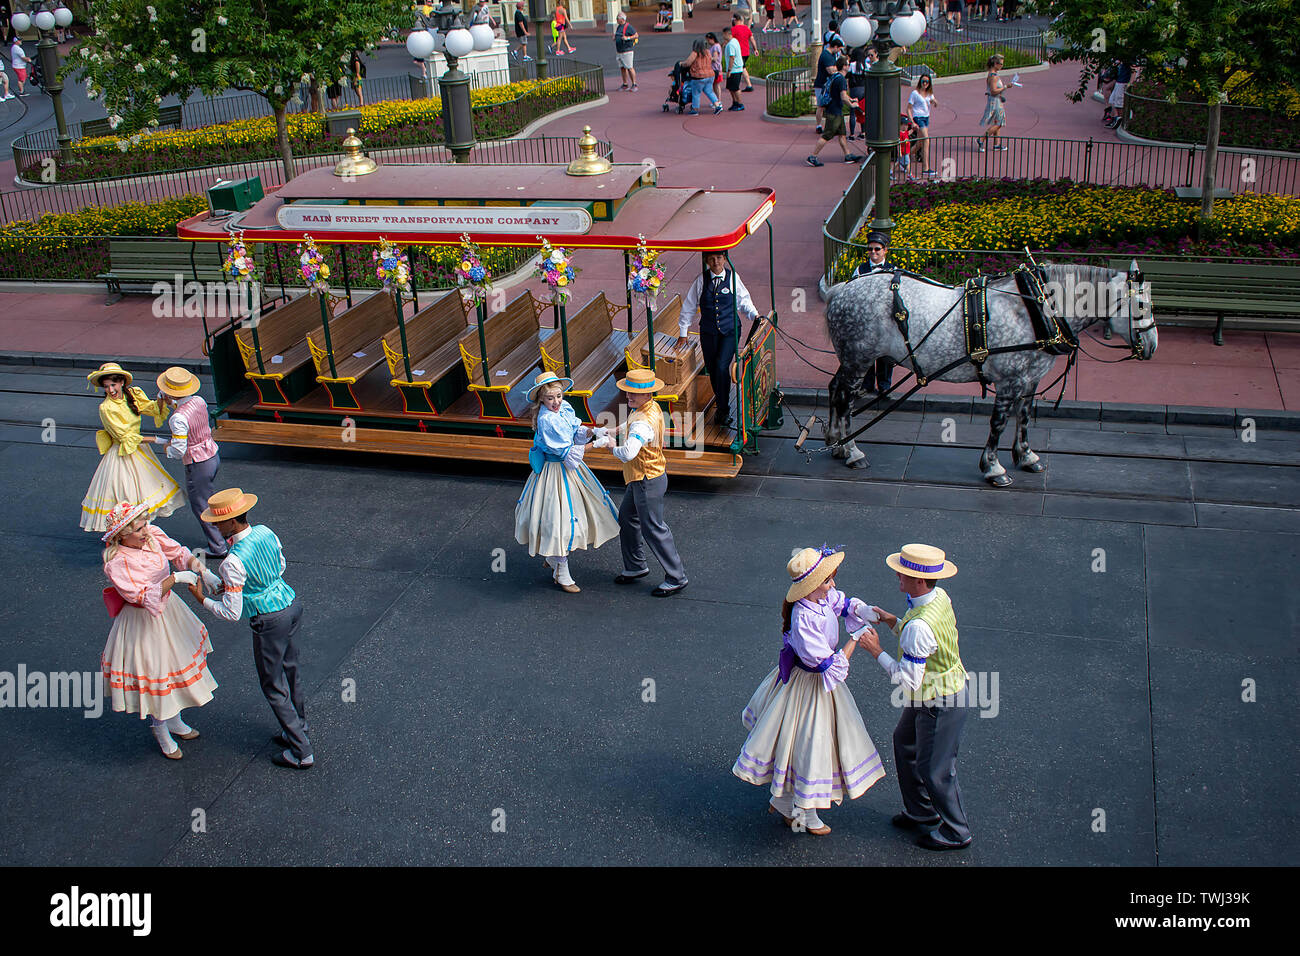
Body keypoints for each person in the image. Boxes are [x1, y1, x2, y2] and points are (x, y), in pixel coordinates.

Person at [732, 546, 887, 835]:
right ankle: (805, 811)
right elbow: (826, 665)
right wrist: (854, 639)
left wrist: (863, 611)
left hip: (809, 682)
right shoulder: (803, 618)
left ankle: (783, 801)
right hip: (811, 684)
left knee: (799, 743)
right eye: (827, 580)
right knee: (813, 745)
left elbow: (842, 603)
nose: (832, 585)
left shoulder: (820, 599)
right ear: (812, 585)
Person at [857, 543, 972, 850]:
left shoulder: (919, 625)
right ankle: (922, 812)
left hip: (940, 701)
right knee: (904, 741)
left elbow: (907, 680)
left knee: (935, 769)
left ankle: (956, 831)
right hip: (939, 691)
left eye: (904, 572)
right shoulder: (935, 599)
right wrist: (893, 620)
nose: (898, 575)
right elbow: (923, 638)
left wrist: (875, 650)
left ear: (920, 580)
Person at [189, 487, 314, 770]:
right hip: (291, 605)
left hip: (269, 621)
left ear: (232, 521)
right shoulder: (266, 532)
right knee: (291, 671)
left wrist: (203, 600)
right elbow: (278, 568)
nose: (214, 527)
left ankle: (302, 751)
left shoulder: (232, 561)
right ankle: (298, 727)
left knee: (272, 685)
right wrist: (245, 587)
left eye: (217, 522)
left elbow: (231, 613)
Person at [99, 500, 217, 760]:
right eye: (138, 529)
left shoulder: (151, 535)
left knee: (174, 666)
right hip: (143, 621)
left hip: (168, 612)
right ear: (121, 535)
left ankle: (173, 719)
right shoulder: (117, 563)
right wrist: (174, 579)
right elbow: (140, 596)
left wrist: (204, 573)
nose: (145, 532)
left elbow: (179, 554)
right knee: (156, 672)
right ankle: (160, 728)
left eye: (144, 525)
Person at [514, 372, 620, 593]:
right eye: (550, 398)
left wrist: (594, 430)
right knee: (559, 521)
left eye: (559, 396)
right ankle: (561, 571)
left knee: (567, 518)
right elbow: (567, 452)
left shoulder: (563, 409)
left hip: (568, 471)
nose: (556, 402)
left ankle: (553, 559)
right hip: (554, 472)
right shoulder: (546, 420)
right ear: (541, 399)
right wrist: (599, 443)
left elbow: (574, 430)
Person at [592, 369, 688, 598]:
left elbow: (627, 453)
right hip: (643, 479)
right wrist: (605, 430)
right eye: (627, 392)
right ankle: (636, 566)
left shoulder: (643, 421)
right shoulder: (648, 408)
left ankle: (676, 577)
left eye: (633, 393)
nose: (628, 396)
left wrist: (607, 445)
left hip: (646, 480)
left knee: (653, 528)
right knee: (627, 517)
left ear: (647, 394)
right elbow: (627, 427)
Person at [81, 362, 180, 533]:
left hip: (138, 450)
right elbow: (125, 437)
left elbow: (153, 409)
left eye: (113, 385)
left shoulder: (133, 394)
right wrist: (157, 440)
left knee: (144, 492)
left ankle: (140, 533)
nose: (111, 390)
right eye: (106, 387)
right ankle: (128, 535)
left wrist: (160, 398)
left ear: (121, 383)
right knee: (125, 494)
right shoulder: (106, 408)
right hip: (122, 453)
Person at [677, 251, 760, 427]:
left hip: (730, 331)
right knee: (713, 369)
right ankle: (721, 403)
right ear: (707, 260)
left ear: (725, 259)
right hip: (708, 332)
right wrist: (683, 333)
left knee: (722, 366)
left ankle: (723, 409)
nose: (716, 262)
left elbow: (744, 301)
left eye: (719, 258)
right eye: (712, 258)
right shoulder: (701, 280)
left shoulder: (732, 277)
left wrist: (754, 315)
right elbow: (689, 306)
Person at [154, 367, 227, 561]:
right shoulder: (199, 401)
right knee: (211, 499)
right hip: (212, 454)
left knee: (201, 505)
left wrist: (167, 450)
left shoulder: (178, 418)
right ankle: (225, 533)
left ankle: (218, 546)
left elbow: (178, 449)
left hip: (197, 463)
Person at [851, 232, 896, 394]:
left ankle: (884, 386)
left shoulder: (893, 270)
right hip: (867, 318)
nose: (873, 252)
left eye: (877, 249)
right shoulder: (860, 269)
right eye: (870, 249)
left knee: (885, 353)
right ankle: (867, 385)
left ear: (885, 250)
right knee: (866, 352)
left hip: (884, 318)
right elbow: (853, 290)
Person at [806, 56, 863, 166]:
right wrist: (852, 105)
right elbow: (843, 96)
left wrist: (851, 99)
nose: (849, 65)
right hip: (834, 112)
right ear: (845, 67)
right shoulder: (841, 79)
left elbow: (840, 94)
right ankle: (812, 157)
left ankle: (848, 155)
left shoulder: (835, 77)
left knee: (842, 134)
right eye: (848, 64)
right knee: (826, 135)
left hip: (835, 110)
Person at [908, 73, 938, 175]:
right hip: (918, 117)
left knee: (919, 144)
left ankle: (904, 159)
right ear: (920, 82)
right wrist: (912, 122)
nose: (925, 83)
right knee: (926, 140)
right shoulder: (915, 93)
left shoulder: (929, 93)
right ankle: (926, 168)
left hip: (926, 118)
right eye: (923, 81)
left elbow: (934, 100)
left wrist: (935, 102)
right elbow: (908, 108)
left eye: (927, 82)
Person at [683, 38, 723, 115]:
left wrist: (682, 64)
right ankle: (718, 105)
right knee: (709, 91)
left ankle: (695, 109)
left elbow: (688, 63)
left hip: (699, 76)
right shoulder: (708, 52)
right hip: (710, 75)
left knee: (696, 93)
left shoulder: (695, 53)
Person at [977, 54, 1009, 151]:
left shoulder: (992, 74)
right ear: (995, 64)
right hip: (995, 102)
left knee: (997, 121)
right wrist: (1005, 87)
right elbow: (993, 91)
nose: (1001, 66)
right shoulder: (993, 76)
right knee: (999, 123)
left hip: (995, 100)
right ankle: (981, 139)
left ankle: (996, 144)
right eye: (1000, 64)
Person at [812, 36, 843, 133]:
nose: (838, 51)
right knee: (821, 106)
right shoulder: (826, 56)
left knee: (830, 106)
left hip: (829, 85)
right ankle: (818, 126)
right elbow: (831, 70)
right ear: (835, 47)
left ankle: (832, 126)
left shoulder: (832, 55)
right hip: (821, 85)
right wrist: (838, 69)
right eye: (839, 49)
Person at [613, 11, 638, 91]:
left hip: (627, 51)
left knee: (629, 67)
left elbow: (636, 35)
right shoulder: (619, 26)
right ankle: (625, 84)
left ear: (622, 19)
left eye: (618, 18)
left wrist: (627, 38)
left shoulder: (628, 26)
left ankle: (634, 84)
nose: (616, 19)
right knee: (622, 68)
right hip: (619, 51)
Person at [723, 26, 745, 110]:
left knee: (735, 88)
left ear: (727, 34)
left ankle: (740, 104)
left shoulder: (731, 44)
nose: (723, 37)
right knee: (730, 87)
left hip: (734, 69)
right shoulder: (735, 41)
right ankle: (735, 102)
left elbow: (732, 57)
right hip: (737, 68)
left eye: (724, 35)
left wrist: (729, 70)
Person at [1105, 61, 1132, 129]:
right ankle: (1116, 119)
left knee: (1119, 103)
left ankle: (1121, 121)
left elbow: (1134, 70)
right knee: (1112, 100)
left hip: (1123, 82)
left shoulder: (1130, 59)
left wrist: (1129, 83)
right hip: (1119, 81)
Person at [731, 13, 754, 91]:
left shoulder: (733, 29)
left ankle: (749, 85)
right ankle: (738, 83)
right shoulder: (747, 28)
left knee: (742, 68)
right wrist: (755, 49)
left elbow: (729, 40)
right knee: (741, 67)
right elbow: (752, 39)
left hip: (739, 52)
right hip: (746, 52)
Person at [706, 32, 724, 103]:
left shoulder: (716, 47)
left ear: (712, 39)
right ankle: (716, 100)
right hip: (714, 68)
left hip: (716, 68)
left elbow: (715, 58)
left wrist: (708, 58)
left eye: (708, 40)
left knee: (716, 85)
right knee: (714, 85)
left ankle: (718, 100)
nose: (708, 42)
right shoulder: (714, 46)